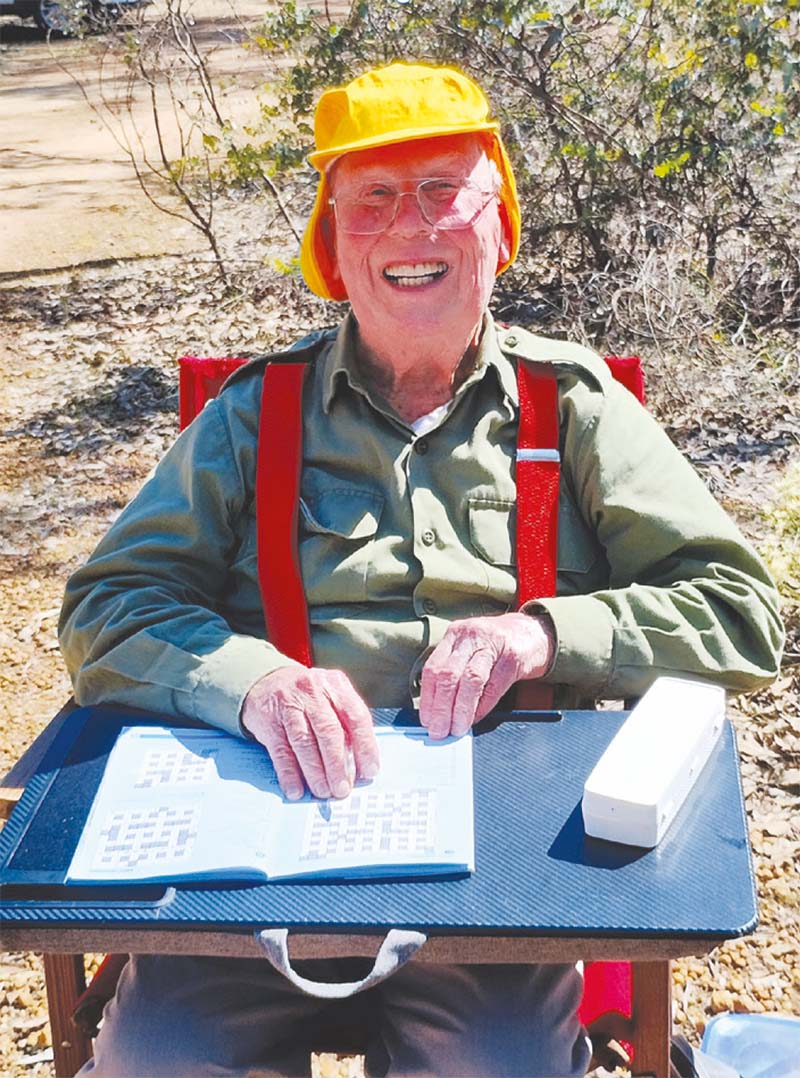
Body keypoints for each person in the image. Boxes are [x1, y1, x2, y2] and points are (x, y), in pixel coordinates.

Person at [59, 62, 783, 1077]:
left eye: (446, 191)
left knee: (500, 1066)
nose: (412, 228)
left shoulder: (569, 404)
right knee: (159, 1059)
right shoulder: (253, 413)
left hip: (500, 881)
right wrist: (252, 681)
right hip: (259, 868)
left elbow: (742, 611)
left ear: (498, 228)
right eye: (373, 198)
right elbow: (104, 607)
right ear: (331, 247)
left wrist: (541, 632)